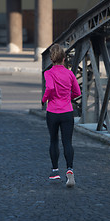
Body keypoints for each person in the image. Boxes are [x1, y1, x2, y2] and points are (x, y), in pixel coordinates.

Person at [41, 43, 81, 188]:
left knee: (53, 141)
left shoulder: (48, 73)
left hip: (52, 112)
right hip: (67, 112)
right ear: (64, 59)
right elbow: (77, 92)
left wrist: (44, 99)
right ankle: (69, 169)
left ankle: (55, 171)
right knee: (67, 142)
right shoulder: (70, 74)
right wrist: (66, 98)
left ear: (51, 60)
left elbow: (50, 87)